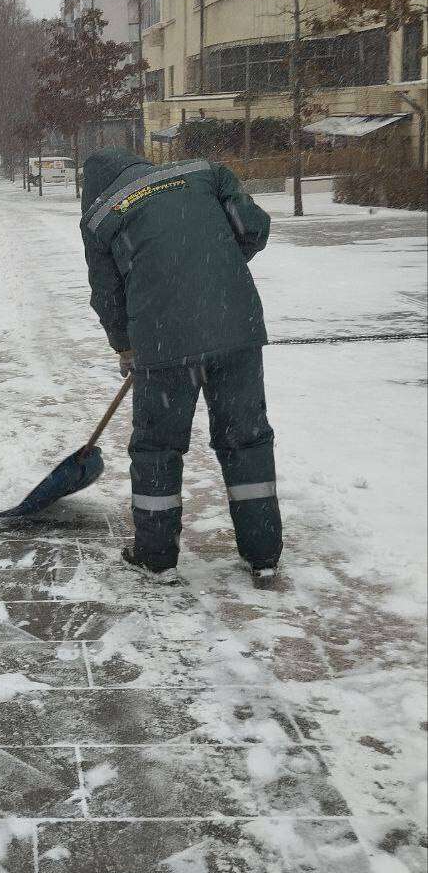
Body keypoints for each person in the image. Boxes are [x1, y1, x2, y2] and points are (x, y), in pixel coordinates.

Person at [80, 148, 282, 583]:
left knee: (158, 448)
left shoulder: (100, 218)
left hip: (161, 345)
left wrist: (125, 346)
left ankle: (156, 558)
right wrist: (210, 273)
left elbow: (108, 297)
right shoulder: (205, 172)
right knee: (246, 440)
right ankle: (262, 554)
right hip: (235, 330)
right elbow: (254, 227)